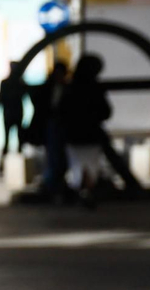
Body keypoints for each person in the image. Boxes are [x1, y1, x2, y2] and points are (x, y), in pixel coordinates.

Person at [56, 54, 112, 206]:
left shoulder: (70, 87)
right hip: (91, 135)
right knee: (90, 166)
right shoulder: (95, 88)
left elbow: (61, 110)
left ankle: (79, 191)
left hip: (73, 135)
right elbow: (106, 112)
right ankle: (86, 191)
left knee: (77, 165)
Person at [29, 59, 69, 198]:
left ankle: (54, 183)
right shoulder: (49, 88)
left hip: (59, 126)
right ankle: (52, 184)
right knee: (53, 157)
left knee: (57, 157)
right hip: (52, 125)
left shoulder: (61, 87)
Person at [0, 62, 26, 158]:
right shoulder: (9, 83)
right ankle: (5, 160)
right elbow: (0, 98)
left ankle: (17, 159)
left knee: (18, 137)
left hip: (14, 112)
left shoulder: (19, 83)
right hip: (10, 112)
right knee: (8, 137)